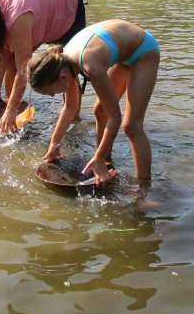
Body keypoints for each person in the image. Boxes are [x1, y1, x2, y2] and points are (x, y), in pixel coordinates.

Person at [28, 20, 160, 204]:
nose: (53, 96)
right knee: (100, 111)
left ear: (62, 78)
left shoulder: (92, 67)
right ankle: (106, 163)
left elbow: (116, 117)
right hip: (123, 51)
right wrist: (54, 143)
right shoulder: (64, 64)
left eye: (52, 92)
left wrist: (95, 157)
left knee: (131, 126)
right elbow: (70, 108)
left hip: (143, 51)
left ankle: (144, 193)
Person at [0, 0, 86, 133]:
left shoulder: (16, 19)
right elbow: (3, 53)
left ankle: (73, 120)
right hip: (40, 13)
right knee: (12, 66)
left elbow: (23, 70)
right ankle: (11, 118)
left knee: (67, 72)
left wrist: (10, 110)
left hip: (67, 8)